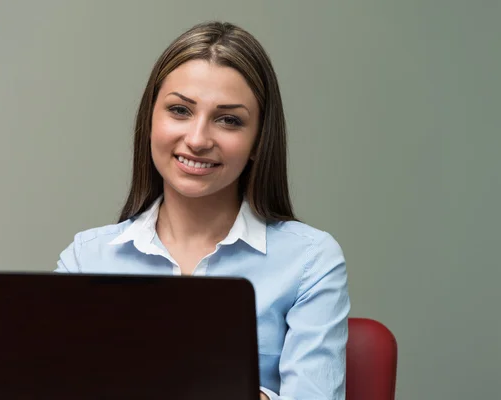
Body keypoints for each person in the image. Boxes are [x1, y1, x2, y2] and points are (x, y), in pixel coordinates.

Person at [56, 21, 350, 400]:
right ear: (150, 121)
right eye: (179, 110)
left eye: (229, 120)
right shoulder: (86, 259)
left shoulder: (311, 260)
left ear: (259, 140)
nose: (197, 140)